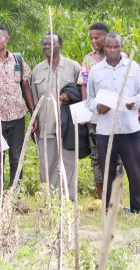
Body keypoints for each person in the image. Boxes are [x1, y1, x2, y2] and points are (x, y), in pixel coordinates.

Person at [0, 25, 36, 194]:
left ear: (7, 39)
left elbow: (25, 87)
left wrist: (33, 115)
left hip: (17, 117)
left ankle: (16, 198)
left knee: (16, 159)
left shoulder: (18, 60)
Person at [86, 32, 140, 212]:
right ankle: (109, 209)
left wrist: (134, 102)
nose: (112, 50)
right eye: (109, 47)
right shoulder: (96, 71)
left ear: (121, 47)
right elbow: (89, 99)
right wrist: (97, 106)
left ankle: (137, 208)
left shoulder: (134, 68)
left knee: (135, 172)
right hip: (105, 130)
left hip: (129, 129)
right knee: (107, 171)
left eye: (116, 47)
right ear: (105, 47)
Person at [29, 33, 81, 200]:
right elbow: (35, 100)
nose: (47, 47)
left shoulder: (73, 67)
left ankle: (67, 199)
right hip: (46, 126)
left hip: (68, 126)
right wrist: (34, 121)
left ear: (61, 45)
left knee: (68, 163)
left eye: (51, 43)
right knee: (47, 164)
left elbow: (81, 93)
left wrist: (69, 97)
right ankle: (49, 200)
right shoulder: (37, 70)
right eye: (44, 44)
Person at [77, 22, 126, 199]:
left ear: (106, 37)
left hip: (117, 117)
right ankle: (101, 196)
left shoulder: (123, 58)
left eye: (97, 37)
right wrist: (87, 108)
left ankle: (116, 197)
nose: (93, 41)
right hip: (96, 117)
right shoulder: (88, 60)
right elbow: (83, 85)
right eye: (91, 38)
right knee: (97, 157)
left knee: (118, 155)